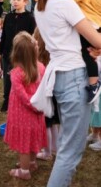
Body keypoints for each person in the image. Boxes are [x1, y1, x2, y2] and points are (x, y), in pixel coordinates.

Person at [33, 0, 101, 187]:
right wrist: (99, 36)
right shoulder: (64, 3)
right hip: (73, 75)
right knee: (70, 152)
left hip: (59, 75)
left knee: (67, 143)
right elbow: (98, 40)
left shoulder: (40, 5)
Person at [4, 32, 47, 180]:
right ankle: (32, 162)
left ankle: (24, 171)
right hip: (38, 114)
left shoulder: (16, 74)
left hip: (22, 115)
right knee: (33, 140)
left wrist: (33, 106)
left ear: (16, 54)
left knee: (24, 145)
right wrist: (39, 107)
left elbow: (23, 97)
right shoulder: (41, 67)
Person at [0, 0, 36, 112]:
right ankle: (7, 100)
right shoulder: (8, 16)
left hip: (22, 54)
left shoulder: (30, 18)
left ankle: (20, 100)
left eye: (18, 0)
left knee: (20, 78)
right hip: (8, 53)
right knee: (8, 78)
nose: (15, 2)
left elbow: (32, 38)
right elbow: (4, 35)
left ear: (25, 2)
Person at [33, 28, 59, 162]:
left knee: (46, 124)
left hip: (45, 94)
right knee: (53, 121)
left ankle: (47, 152)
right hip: (55, 92)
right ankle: (56, 148)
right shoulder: (55, 52)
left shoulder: (38, 63)